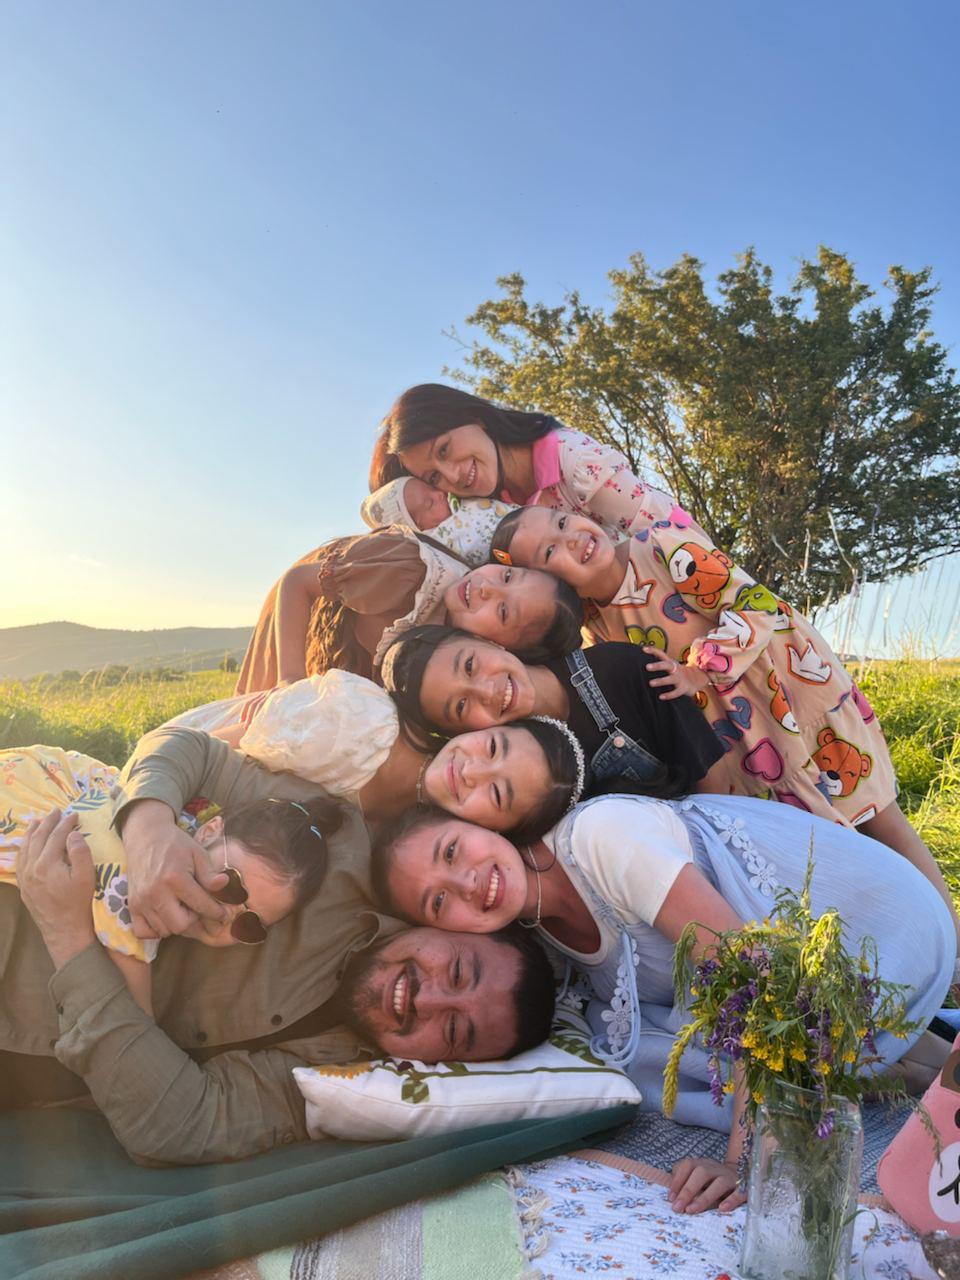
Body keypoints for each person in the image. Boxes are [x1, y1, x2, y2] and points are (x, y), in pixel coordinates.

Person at [371, 794, 955, 1213]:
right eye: (438, 902)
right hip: (821, 981)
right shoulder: (539, 933)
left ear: (479, 821)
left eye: (453, 851)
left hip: (877, 927)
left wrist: (741, 1161)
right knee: (620, 1043)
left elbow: (759, 981)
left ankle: (888, 1056)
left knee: (690, 1033)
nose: (468, 883)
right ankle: (906, 1058)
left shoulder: (600, 837)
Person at [1, 727, 556, 1165]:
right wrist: (149, 828)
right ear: (455, 932)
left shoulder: (338, 1079)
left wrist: (68, 937)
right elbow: (188, 750)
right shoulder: (335, 844)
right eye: (456, 972)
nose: (427, 999)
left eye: (454, 1031)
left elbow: (178, 1127)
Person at [489, 504, 960, 948]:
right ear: (550, 585)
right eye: (550, 552)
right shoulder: (596, 628)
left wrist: (700, 669)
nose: (571, 538)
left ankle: (955, 948)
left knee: (877, 815)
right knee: (823, 846)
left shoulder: (660, 545)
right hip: (744, 742)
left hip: (792, 692)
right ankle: (902, 947)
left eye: (560, 521)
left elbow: (756, 604)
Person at [0, 744, 334, 1013]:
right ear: (209, 830)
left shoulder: (188, 817)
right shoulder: (130, 880)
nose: (223, 916)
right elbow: (132, 1028)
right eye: (230, 885)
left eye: (250, 925)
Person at [166, 671, 582, 836]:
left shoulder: (410, 846)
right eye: (492, 747)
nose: (474, 771)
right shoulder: (362, 721)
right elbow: (193, 752)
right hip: (170, 784)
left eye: (498, 794)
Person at [381, 624, 728, 796]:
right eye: (460, 705)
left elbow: (714, 783)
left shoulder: (621, 667)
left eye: (470, 664)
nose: (486, 691)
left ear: (487, 640)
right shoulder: (519, 784)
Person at [235, 525, 583, 693]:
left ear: (499, 648)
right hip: (301, 618)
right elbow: (297, 582)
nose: (487, 588)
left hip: (341, 656)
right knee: (258, 708)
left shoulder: (459, 662)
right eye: (507, 576)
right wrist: (290, 680)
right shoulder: (412, 571)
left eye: (503, 611)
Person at [369, 383, 679, 537]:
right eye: (433, 477)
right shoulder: (490, 518)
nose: (451, 476)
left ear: (474, 417)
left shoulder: (574, 460)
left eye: (444, 450)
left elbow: (676, 535)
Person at [361, 476, 518, 567]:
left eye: (432, 488)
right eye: (430, 503)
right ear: (421, 528)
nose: (439, 494)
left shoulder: (456, 499)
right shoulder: (441, 543)